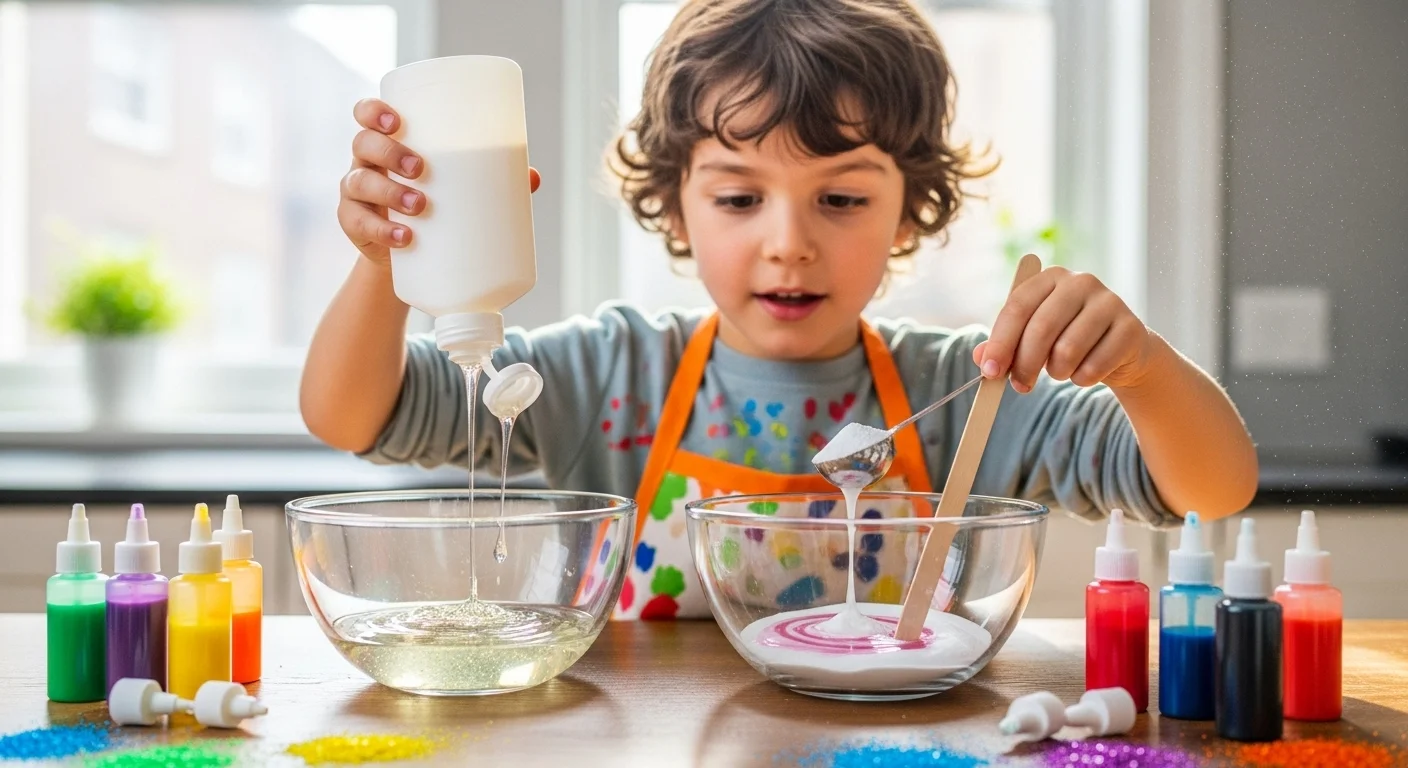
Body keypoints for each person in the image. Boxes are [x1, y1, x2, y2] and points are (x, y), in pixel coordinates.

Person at [302, 0, 1258, 620]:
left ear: (908, 207)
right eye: (738, 197)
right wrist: (384, 261)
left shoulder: (965, 391)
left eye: (841, 199)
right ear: (673, 202)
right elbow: (356, 415)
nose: (789, 241)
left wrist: (1141, 368)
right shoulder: (613, 375)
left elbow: (1212, 486)